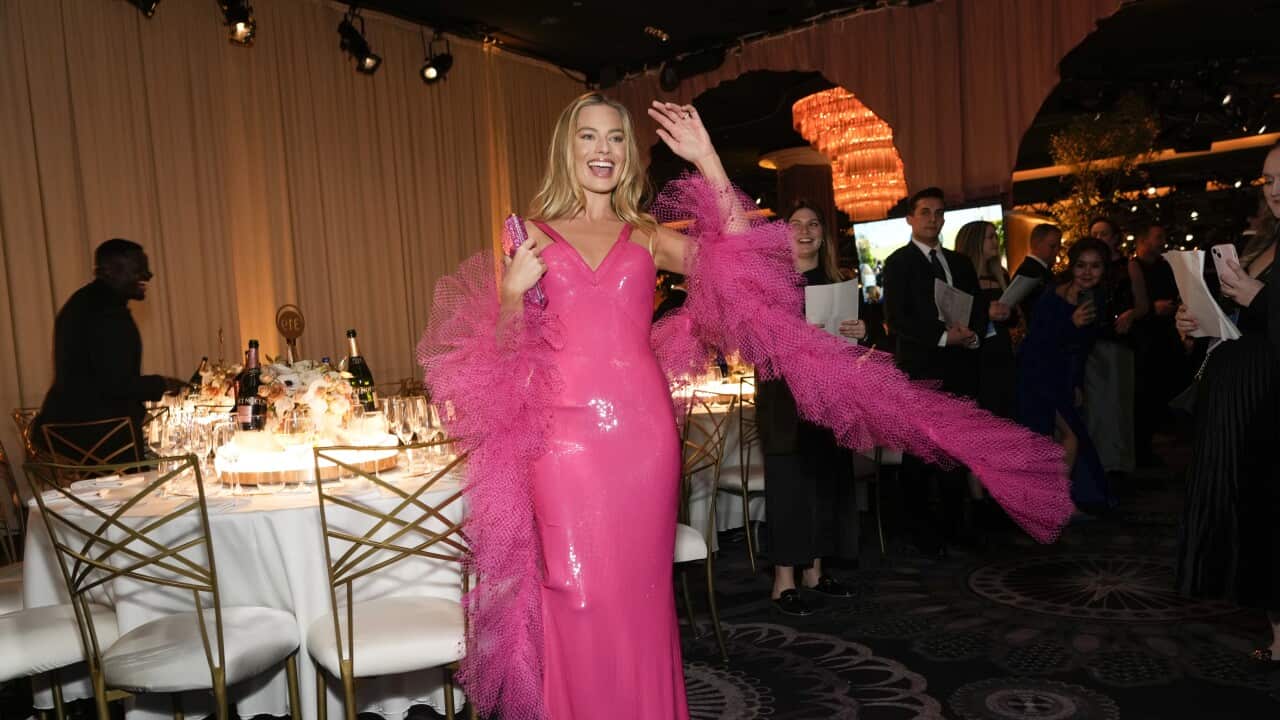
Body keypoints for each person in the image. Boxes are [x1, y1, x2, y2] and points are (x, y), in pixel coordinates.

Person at [420, 94, 1072, 720]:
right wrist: (511, 294)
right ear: (567, 149)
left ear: (628, 156)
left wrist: (706, 158)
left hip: (642, 439)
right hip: (560, 444)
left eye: (616, 138)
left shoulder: (647, 236)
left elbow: (746, 265)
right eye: (589, 136)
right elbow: (505, 357)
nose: (604, 149)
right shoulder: (528, 237)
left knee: (642, 599)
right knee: (573, 592)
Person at [1175, 140, 1280, 667]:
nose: (1276, 190)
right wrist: (1197, 321)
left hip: (1269, 402)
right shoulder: (1264, 240)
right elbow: (1245, 321)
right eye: (1267, 180)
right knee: (1253, 512)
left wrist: (1256, 297)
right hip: (1239, 397)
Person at [758, 202, 863, 616]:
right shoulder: (768, 285)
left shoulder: (839, 282)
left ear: (824, 234)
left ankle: (816, 574)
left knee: (824, 485)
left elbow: (856, 349)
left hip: (829, 400)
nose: (805, 231)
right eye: (795, 224)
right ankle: (783, 581)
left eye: (813, 224)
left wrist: (860, 331)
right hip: (784, 402)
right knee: (788, 489)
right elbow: (756, 347)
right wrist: (796, 338)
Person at [882, 188, 998, 554]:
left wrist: (971, 335)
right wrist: (943, 337)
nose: (933, 218)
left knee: (957, 451)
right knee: (921, 453)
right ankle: (921, 531)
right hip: (921, 370)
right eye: (925, 212)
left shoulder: (960, 262)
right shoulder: (898, 263)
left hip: (961, 367)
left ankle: (955, 525)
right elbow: (896, 319)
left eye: (939, 212)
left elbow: (977, 309)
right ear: (910, 219)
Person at [33, 239, 186, 460]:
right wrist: (164, 383)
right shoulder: (108, 315)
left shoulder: (85, 300)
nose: (148, 275)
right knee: (173, 461)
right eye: (138, 269)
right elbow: (117, 385)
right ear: (109, 271)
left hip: (64, 432)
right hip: (94, 440)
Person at [1015, 238, 1111, 511]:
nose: (1087, 272)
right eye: (1081, 265)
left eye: (1095, 266)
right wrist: (1070, 323)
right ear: (1071, 266)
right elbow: (1038, 341)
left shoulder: (1095, 299)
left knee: (1060, 438)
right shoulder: (1052, 294)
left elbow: (1081, 350)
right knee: (1060, 436)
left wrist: (1077, 383)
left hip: (1062, 377)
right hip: (1037, 373)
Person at [1081, 216, 1140, 476]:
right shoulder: (1090, 269)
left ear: (1115, 237)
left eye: (1104, 233)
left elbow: (1143, 305)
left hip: (1118, 341)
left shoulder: (1128, 266)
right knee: (1095, 405)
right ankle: (1101, 462)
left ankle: (1119, 463)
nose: (1099, 238)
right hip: (1092, 341)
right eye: (1095, 233)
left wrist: (1131, 314)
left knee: (1118, 402)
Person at [1129, 221, 1187, 468]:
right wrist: (1153, 309)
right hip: (1145, 340)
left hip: (1164, 337)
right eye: (1158, 237)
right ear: (1143, 241)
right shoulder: (1132, 267)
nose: (1162, 241)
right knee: (1145, 396)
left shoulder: (1164, 266)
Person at [954, 220, 1015, 418]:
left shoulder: (1001, 275)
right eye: (990, 237)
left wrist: (1008, 313)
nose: (996, 241)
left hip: (1003, 353)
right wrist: (985, 314)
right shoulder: (961, 279)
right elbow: (957, 319)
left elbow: (1013, 319)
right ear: (975, 241)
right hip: (977, 358)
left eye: (996, 236)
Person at [1012, 223, 1063, 322]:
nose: (1057, 251)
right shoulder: (1029, 271)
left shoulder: (1038, 269)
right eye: (1052, 246)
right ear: (1036, 244)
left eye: (1058, 246)